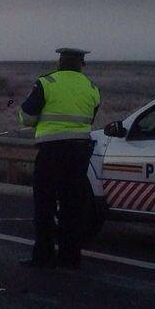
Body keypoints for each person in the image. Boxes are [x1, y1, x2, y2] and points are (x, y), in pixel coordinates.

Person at [18, 47, 101, 268]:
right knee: (72, 206)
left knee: (44, 204)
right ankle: (70, 257)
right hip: (79, 153)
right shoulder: (91, 87)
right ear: (82, 64)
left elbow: (27, 117)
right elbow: (90, 118)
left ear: (59, 63)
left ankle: (43, 256)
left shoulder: (46, 83)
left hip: (52, 152)